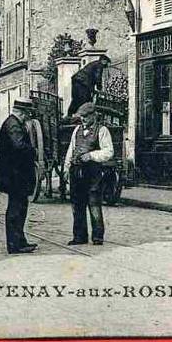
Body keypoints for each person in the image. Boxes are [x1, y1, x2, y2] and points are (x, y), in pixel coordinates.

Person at [63, 101, 114, 245]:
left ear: (94, 116)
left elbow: (108, 152)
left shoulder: (102, 130)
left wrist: (91, 155)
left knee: (94, 204)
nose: (83, 119)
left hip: (92, 172)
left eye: (86, 116)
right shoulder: (77, 130)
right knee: (77, 205)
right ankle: (79, 237)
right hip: (76, 172)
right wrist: (67, 168)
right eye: (82, 116)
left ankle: (97, 237)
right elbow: (70, 150)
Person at [0, 99, 38, 254]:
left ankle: (19, 241)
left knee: (19, 207)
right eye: (27, 113)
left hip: (15, 174)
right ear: (22, 112)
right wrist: (33, 151)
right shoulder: (13, 125)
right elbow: (19, 146)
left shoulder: (13, 123)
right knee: (16, 209)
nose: (28, 116)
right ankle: (14, 244)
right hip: (15, 175)